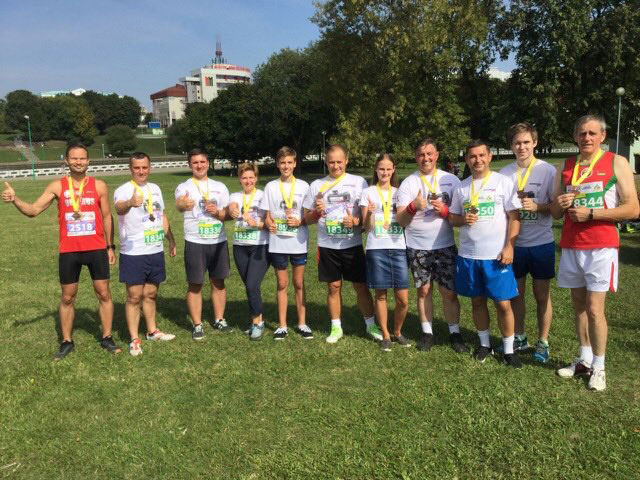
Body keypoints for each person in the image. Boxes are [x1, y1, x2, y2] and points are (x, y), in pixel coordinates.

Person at [2, 143, 120, 359]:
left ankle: (107, 337)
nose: (78, 162)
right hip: (69, 250)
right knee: (67, 297)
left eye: (82, 158)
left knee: (104, 293)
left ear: (88, 161)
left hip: (96, 249)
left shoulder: (99, 185)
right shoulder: (57, 186)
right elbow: (33, 210)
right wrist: (15, 199)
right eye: (74, 158)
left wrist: (110, 246)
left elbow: (106, 216)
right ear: (66, 161)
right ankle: (66, 341)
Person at [551, 114, 639, 391]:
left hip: (601, 246)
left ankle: (599, 367)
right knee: (578, 306)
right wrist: (560, 203)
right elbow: (555, 212)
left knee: (594, 308)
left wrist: (592, 213)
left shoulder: (616, 162)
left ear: (602, 136)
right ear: (575, 137)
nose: (586, 138)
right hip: (571, 245)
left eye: (592, 133)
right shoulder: (565, 166)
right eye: (581, 133)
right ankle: (585, 359)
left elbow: (633, 209)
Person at [449, 140, 523, 368]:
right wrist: (463, 220)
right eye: (472, 156)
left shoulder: (503, 182)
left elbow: (515, 217)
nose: (477, 160)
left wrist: (509, 246)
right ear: (466, 159)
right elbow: (452, 218)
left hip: (496, 256)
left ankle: (509, 350)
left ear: (489, 157)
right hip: (469, 256)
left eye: (482, 155)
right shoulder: (461, 187)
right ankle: (484, 344)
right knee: (477, 302)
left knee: (503, 304)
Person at [303, 144, 380, 344]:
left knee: (361, 286)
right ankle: (336, 327)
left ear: (346, 160)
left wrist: (355, 221)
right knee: (333, 287)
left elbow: (366, 218)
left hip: (352, 245)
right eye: (331, 162)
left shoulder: (358, 182)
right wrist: (316, 212)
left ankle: (371, 324)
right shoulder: (317, 185)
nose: (335, 166)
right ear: (326, 162)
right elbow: (307, 218)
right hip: (327, 245)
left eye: (339, 161)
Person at [396, 139, 467, 353]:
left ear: (437, 155)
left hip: (445, 244)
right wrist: (413, 206)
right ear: (416, 157)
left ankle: (455, 333)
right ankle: (427, 333)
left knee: (449, 292)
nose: (425, 158)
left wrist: (445, 211)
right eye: (421, 154)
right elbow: (401, 220)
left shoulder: (451, 180)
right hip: (417, 246)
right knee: (424, 291)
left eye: (429, 154)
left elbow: (461, 217)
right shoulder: (409, 183)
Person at [498, 123, 556, 363]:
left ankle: (543, 341)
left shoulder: (548, 170)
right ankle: (520, 336)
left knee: (542, 295)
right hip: (515, 244)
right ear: (511, 146)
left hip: (541, 243)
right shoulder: (504, 174)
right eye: (517, 143)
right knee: (516, 294)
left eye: (526, 142)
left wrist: (538, 207)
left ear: (535, 143)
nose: (521, 147)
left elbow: (556, 208)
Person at [113, 152, 177, 356]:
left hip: (155, 249)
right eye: (137, 167)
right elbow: (119, 209)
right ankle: (134, 338)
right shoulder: (123, 190)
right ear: (130, 168)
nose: (141, 171)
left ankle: (152, 331)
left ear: (150, 168)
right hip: (133, 252)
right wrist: (130, 203)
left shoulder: (155, 189)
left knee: (150, 293)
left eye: (144, 167)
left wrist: (171, 239)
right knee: (134, 296)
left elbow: (161, 215)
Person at [175, 149, 230, 340]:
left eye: (202, 162)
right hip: (195, 241)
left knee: (219, 281)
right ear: (190, 165)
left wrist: (217, 212)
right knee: (195, 283)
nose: (199, 166)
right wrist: (184, 204)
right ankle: (197, 324)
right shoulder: (184, 186)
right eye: (195, 162)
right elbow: (179, 204)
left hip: (218, 240)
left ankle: (219, 319)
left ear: (208, 163)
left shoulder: (219, 186)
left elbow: (227, 214)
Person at [260, 147, 312, 340]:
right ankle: (282, 326)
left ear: (295, 163)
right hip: (277, 243)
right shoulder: (270, 187)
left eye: (289, 162)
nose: (286, 166)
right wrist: (269, 224)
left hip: (298, 242)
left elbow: (309, 215)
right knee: (282, 283)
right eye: (282, 163)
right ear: (277, 164)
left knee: (298, 283)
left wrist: (300, 221)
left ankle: (302, 323)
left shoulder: (304, 186)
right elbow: (267, 216)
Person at [360, 154, 410, 351]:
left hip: (398, 248)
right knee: (380, 295)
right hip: (376, 248)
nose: (385, 172)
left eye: (389, 169)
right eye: (381, 168)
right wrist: (370, 214)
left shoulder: (400, 193)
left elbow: (407, 219)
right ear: (376, 169)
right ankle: (386, 335)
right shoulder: (368, 192)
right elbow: (366, 227)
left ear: (393, 170)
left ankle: (398, 331)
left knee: (403, 299)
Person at [228, 163, 270, 340]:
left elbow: (270, 222)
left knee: (252, 285)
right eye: (244, 178)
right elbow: (232, 207)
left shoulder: (263, 196)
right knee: (250, 286)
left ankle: (257, 324)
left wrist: (258, 223)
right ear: (240, 179)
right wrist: (232, 210)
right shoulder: (235, 196)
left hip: (260, 246)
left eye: (251, 177)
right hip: (240, 246)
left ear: (256, 178)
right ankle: (257, 321)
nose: (248, 181)